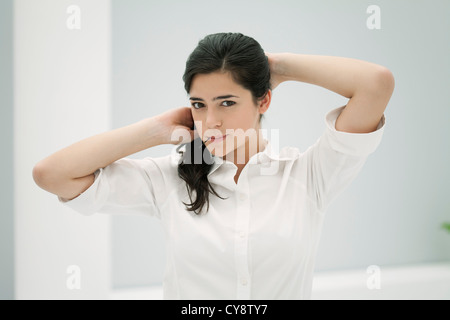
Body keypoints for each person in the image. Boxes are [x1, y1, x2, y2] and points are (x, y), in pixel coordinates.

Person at [32, 32, 395, 299]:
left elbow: (376, 84)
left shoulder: (308, 175)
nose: (211, 121)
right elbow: (51, 174)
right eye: (199, 104)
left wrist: (276, 67)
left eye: (226, 103)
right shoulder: (169, 179)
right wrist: (154, 130)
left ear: (263, 100)